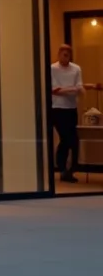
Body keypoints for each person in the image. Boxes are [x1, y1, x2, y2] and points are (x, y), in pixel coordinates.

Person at [50, 44, 85, 183]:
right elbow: (54, 89)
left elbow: (79, 87)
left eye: (68, 55)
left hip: (71, 108)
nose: (65, 57)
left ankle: (69, 169)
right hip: (57, 108)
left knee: (73, 139)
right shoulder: (52, 68)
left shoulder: (76, 69)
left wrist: (69, 90)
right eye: (63, 54)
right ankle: (62, 168)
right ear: (59, 54)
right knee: (65, 138)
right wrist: (71, 90)